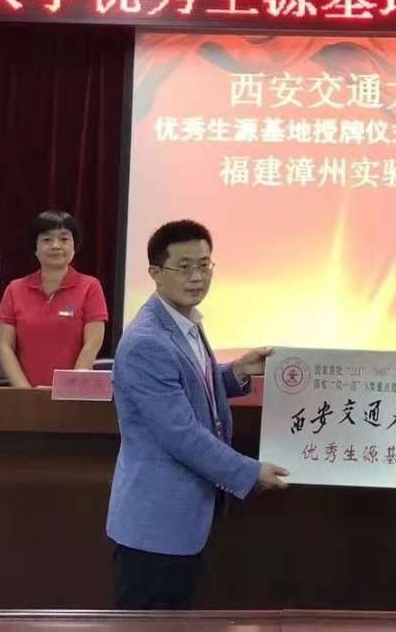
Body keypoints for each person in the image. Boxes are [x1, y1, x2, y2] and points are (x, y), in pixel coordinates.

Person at [106, 219, 288, 610]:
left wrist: (238, 372)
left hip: (180, 519)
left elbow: (192, 387)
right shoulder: (147, 341)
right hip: (156, 523)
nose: (197, 277)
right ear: (155, 273)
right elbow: (181, 433)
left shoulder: (181, 320)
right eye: (184, 266)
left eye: (204, 265)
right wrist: (249, 472)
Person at [0, 211, 107, 388]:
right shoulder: (14, 289)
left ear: (74, 246)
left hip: (73, 394)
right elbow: (5, 346)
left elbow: (92, 344)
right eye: (47, 240)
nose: (56, 246)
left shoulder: (90, 287)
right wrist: (26, 393)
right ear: (35, 248)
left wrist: (68, 389)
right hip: (25, 395)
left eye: (64, 239)